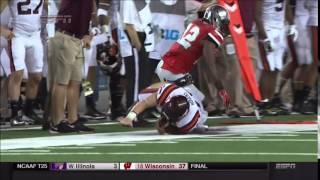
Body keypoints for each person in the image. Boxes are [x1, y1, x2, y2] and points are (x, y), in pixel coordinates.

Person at [155, 4, 231, 106]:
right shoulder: (212, 33)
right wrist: (220, 88)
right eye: (222, 23)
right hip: (173, 70)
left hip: (165, 64)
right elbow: (209, 64)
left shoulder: (196, 23)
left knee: (191, 102)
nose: (223, 27)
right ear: (216, 20)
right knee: (198, 105)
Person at [48, 0, 98, 133]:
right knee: (61, 82)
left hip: (77, 39)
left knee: (75, 81)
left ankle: (73, 119)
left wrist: (86, 33)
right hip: (65, 36)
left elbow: (87, 13)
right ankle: (57, 122)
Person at [3, 0, 46, 125]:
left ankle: (28, 111)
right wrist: (1, 29)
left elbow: (49, 9)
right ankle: (15, 114)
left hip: (35, 35)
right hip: (17, 34)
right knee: (17, 73)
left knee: (37, 77)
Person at [119, 83, 208, 134]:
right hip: (187, 89)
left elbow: (166, 129)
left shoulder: (188, 122)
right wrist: (130, 117)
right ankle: (137, 110)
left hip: (199, 108)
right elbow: (146, 102)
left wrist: (165, 127)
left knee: (162, 128)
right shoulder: (171, 91)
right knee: (143, 95)